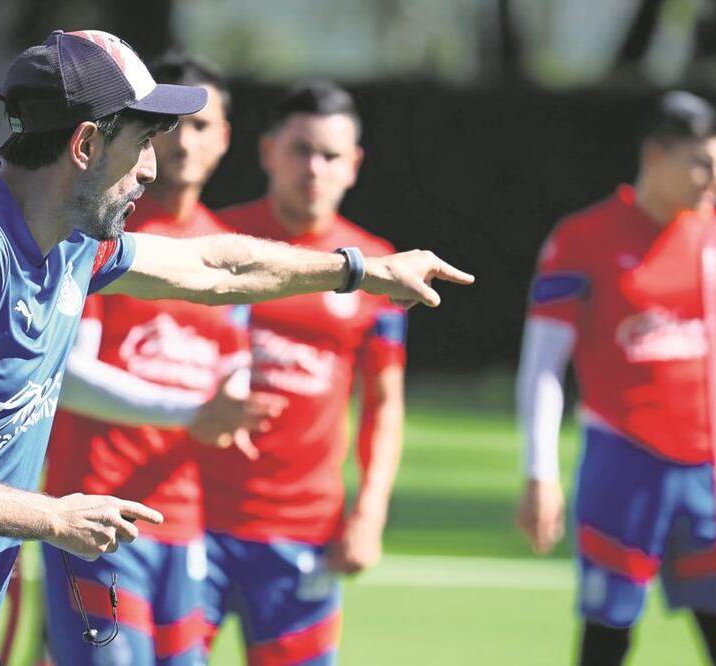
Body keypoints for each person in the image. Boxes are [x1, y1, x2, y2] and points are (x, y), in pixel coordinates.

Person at [0, 29, 472, 665]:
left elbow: (212, 268)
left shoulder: (71, 243)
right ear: (85, 145)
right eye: (142, 141)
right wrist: (53, 516)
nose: (153, 167)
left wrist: (359, 269)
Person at [41, 52, 284, 666]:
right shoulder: (100, 229)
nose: (181, 143)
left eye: (201, 125)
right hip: (95, 514)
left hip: (181, 523)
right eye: (165, 127)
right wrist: (193, 410)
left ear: (226, 138)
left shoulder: (222, 253)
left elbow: (229, 387)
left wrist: (234, 411)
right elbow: (66, 375)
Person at [515, 91, 716, 666]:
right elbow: (543, 365)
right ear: (654, 156)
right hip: (623, 464)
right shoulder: (584, 238)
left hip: (715, 474)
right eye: (701, 162)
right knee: (608, 638)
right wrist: (539, 472)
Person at [196, 82, 411, 665]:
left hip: (305, 529)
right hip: (195, 516)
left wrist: (369, 512)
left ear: (355, 165)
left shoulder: (376, 268)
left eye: (331, 155)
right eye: (300, 150)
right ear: (268, 152)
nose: (314, 169)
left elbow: (385, 404)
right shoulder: (213, 242)